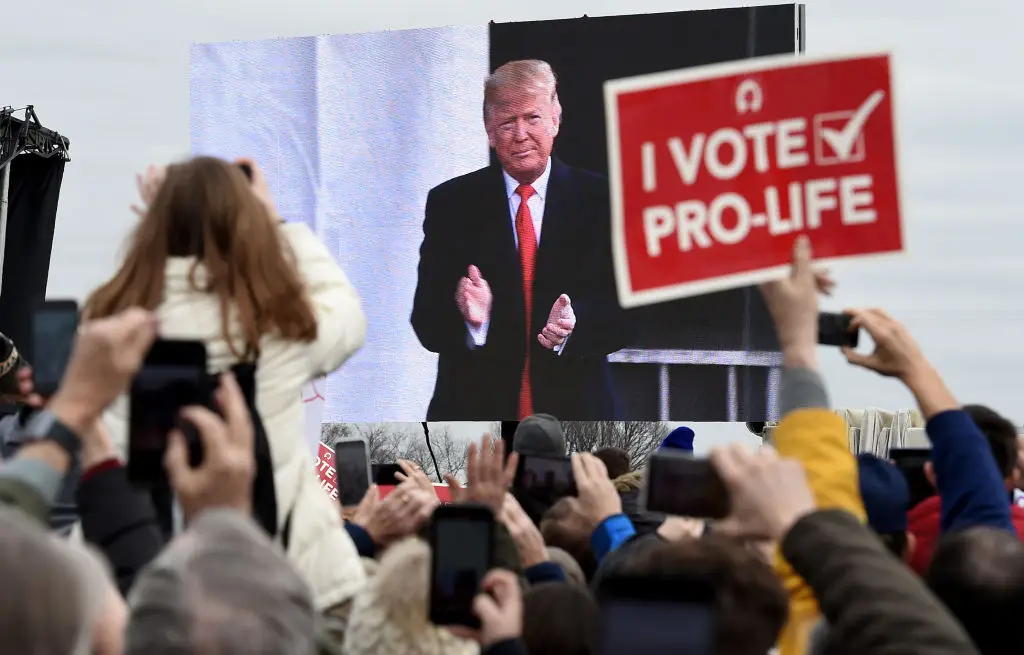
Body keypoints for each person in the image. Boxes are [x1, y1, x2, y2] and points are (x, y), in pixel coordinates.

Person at [82, 157, 368, 611]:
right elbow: (346, 315)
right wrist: (276, 223)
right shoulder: (277, 326)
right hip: (286, 581)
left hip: (149, 586)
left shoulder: (109, 329)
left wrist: (168, 220)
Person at [411, 59, 629, 421]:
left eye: (532, 118)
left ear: (555, 120)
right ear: (489, 131)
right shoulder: (451, 204)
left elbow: (628, 317)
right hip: (473, 415)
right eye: (507, 122)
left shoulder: (602, 200)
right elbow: (426, 322)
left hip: (579, 415)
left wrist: (575, 326)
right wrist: (472, 321)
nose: (520, 133)